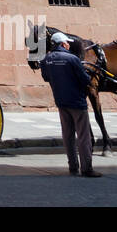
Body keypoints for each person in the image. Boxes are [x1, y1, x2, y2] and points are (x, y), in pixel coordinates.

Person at [41, 33, 100, 178]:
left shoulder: (46, 60)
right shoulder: (72, 59)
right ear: (62, 44)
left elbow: (46, 77)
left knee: (67, 135)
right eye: (67, 43)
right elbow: (85, 80)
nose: (68, 45)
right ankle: (87, 168)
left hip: (61, 101)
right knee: (83, 136)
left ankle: (73, 166)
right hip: (77, 101)